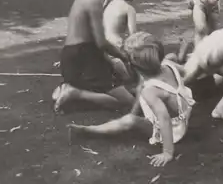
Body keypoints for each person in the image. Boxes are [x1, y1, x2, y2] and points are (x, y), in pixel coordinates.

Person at [68, 32, 195, 167]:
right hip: (185, 110)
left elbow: (164, 119)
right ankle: (133, 112)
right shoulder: (169, 64)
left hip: (175, 129)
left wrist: (167, 152)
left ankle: (90, 130)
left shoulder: (151, 91)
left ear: (132, 66)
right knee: (142, 88)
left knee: (130, 120)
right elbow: (186, 72)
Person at [52, 0, 138, 114]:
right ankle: (75, 93)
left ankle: (70, 90)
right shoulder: (93, 1)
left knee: (119, 83)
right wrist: (122, 55)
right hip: (85, 57)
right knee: (129, 103)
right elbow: (100, 42)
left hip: (72, 58)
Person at [103, 0, 143, 86]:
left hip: (103, 47)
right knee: (136, 78)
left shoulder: (107, 2)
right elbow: (134, 38)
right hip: (116, 49)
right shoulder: (129, 9)